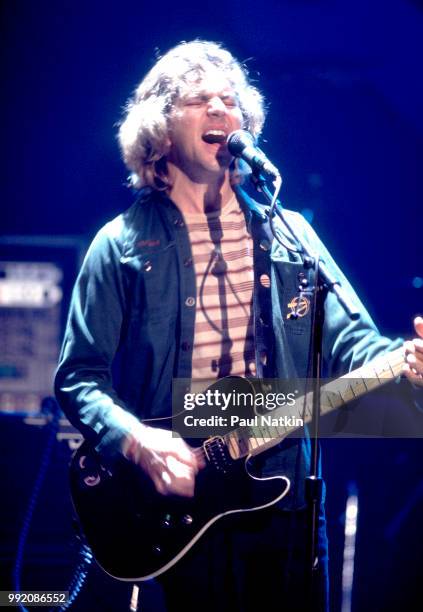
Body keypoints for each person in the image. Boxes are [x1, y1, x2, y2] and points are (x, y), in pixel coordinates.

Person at [55, 40, 423, 612]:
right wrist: (140, 441)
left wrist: (409, 363)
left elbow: (354, 343)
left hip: (284, 493)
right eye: (201, 100)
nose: (222, 111)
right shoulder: (121, 244)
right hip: (175, 498)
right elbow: (78, 377)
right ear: (160, 127)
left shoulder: (290, 232)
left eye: (231, 100)